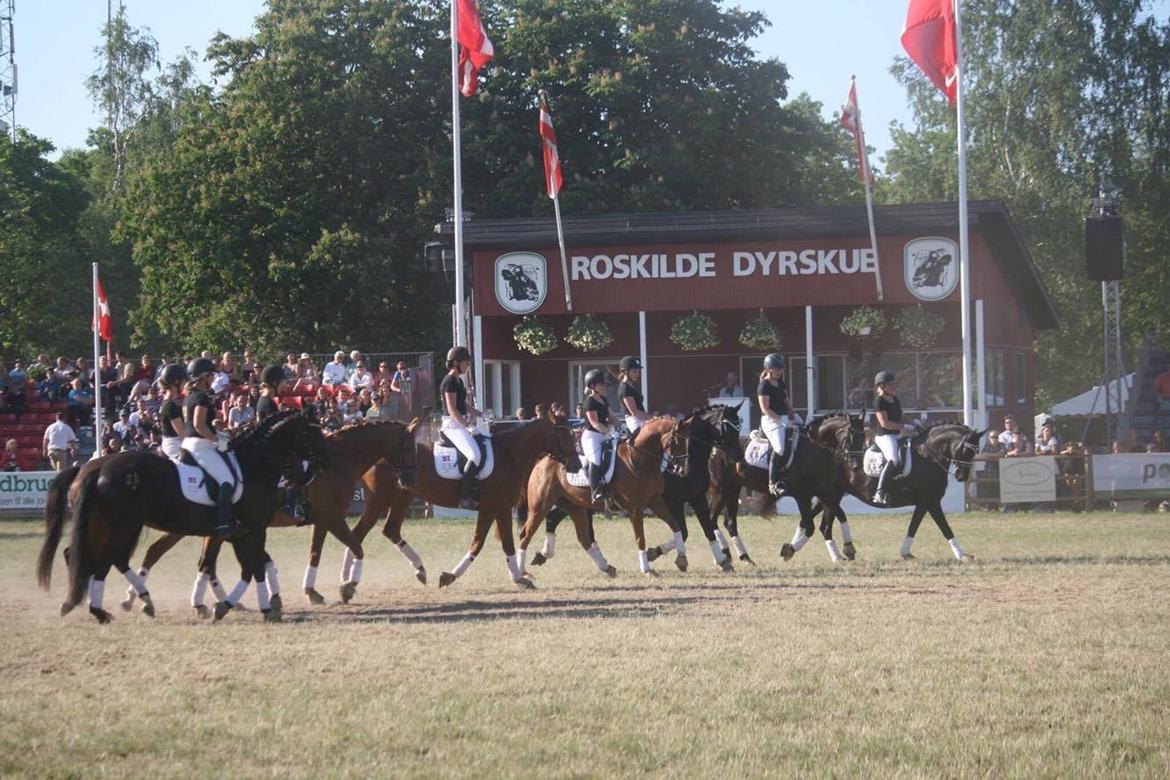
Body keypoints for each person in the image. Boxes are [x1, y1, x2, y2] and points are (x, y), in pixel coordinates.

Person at [181, 357, 242, 539]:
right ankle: (224, 523)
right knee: (227, 480)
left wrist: (216, 430)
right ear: (204, 376)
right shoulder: (201, 396)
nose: (213, 379)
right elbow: (199, 425)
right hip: (201, 445)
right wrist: (217, 439)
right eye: (211, 375)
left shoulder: (189, 397)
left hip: (190, 442)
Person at [441, 346, 482, 510]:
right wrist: (468, 426)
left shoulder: (458, 380)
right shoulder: (449, 381)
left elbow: (463, 405)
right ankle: (465, 497)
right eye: (466, 363)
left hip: (460, 423)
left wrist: (481, 414)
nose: (468, 366)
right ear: (456, 363)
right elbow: (452, 410)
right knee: (475, 455)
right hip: (453, 426)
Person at [872, 370, 913, 506]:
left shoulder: (895, 399)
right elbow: (885, 424)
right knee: (893, 460)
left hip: (897, 434)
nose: (893, 386)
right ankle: (880, 491)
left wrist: (914, 423)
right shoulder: (879, 401)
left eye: (893, 384)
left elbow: (901, 417)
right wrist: (904, 427)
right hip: (884, 436)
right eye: (890, 384)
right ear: (882, 386)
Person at [758, 353, 795, 496]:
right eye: (777, 369)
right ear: (768, 369)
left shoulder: (780, 382)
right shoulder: (764, 386)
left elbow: (786, 399)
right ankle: (772, 483)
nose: (780, 371)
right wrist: (780, 419)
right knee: (779, 448)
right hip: (770, 420)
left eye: (781, 369)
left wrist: (793, 413)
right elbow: (765, 409)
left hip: (784, 416)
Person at [581, 369, 615, 506]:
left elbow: (611, 417)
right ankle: (595, 491)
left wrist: (621, 427)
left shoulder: (604, 400)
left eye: (605, 385)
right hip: (592, 436)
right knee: (596, 460)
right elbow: (595, 423)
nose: (605, 387)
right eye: (602, 385)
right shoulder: (589, 402)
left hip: (604, 433)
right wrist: (608, 432)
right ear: (592, 386)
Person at [157, 363, 186, 460]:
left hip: (179, 441)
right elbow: (181, 432)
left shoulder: (173, 402)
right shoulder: (170, 406)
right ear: (176, 382)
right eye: (184, 381)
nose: (185, 384)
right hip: (174, 444)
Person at [617, 356, 650, 435]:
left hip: (641, 418)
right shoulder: (624, 388)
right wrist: (653, 418)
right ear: (625, 372)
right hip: (634, 421)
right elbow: (634, 412)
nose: (637, 374)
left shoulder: (631, 386)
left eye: (638, 371)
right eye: (634, 371)